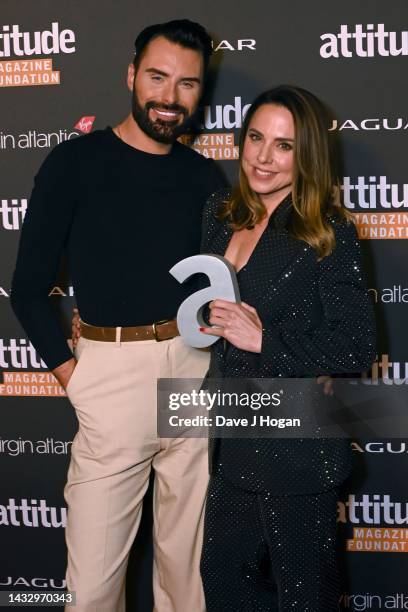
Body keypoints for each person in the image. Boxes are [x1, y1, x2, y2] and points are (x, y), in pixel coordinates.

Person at [11, 20, 225, 612]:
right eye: (157, 77)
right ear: (132, 75)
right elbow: (27, 289)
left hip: (192, 370)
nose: (170, 96)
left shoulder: (203, 176)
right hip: (110, 373)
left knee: (189, 577)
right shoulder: (74, 163)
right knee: (94, 587)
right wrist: (74, 377)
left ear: (200, 92)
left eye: (187, 84)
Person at [198, 85, 376, 611]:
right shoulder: (220, 213)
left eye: (284, 146)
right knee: (224, 585)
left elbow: (355, 344)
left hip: (298, 452)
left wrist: (264, 340)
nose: (263, 157)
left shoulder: (326, 231)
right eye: (256, 138)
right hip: (231, 445)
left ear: (307, 157)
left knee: (305, 598)